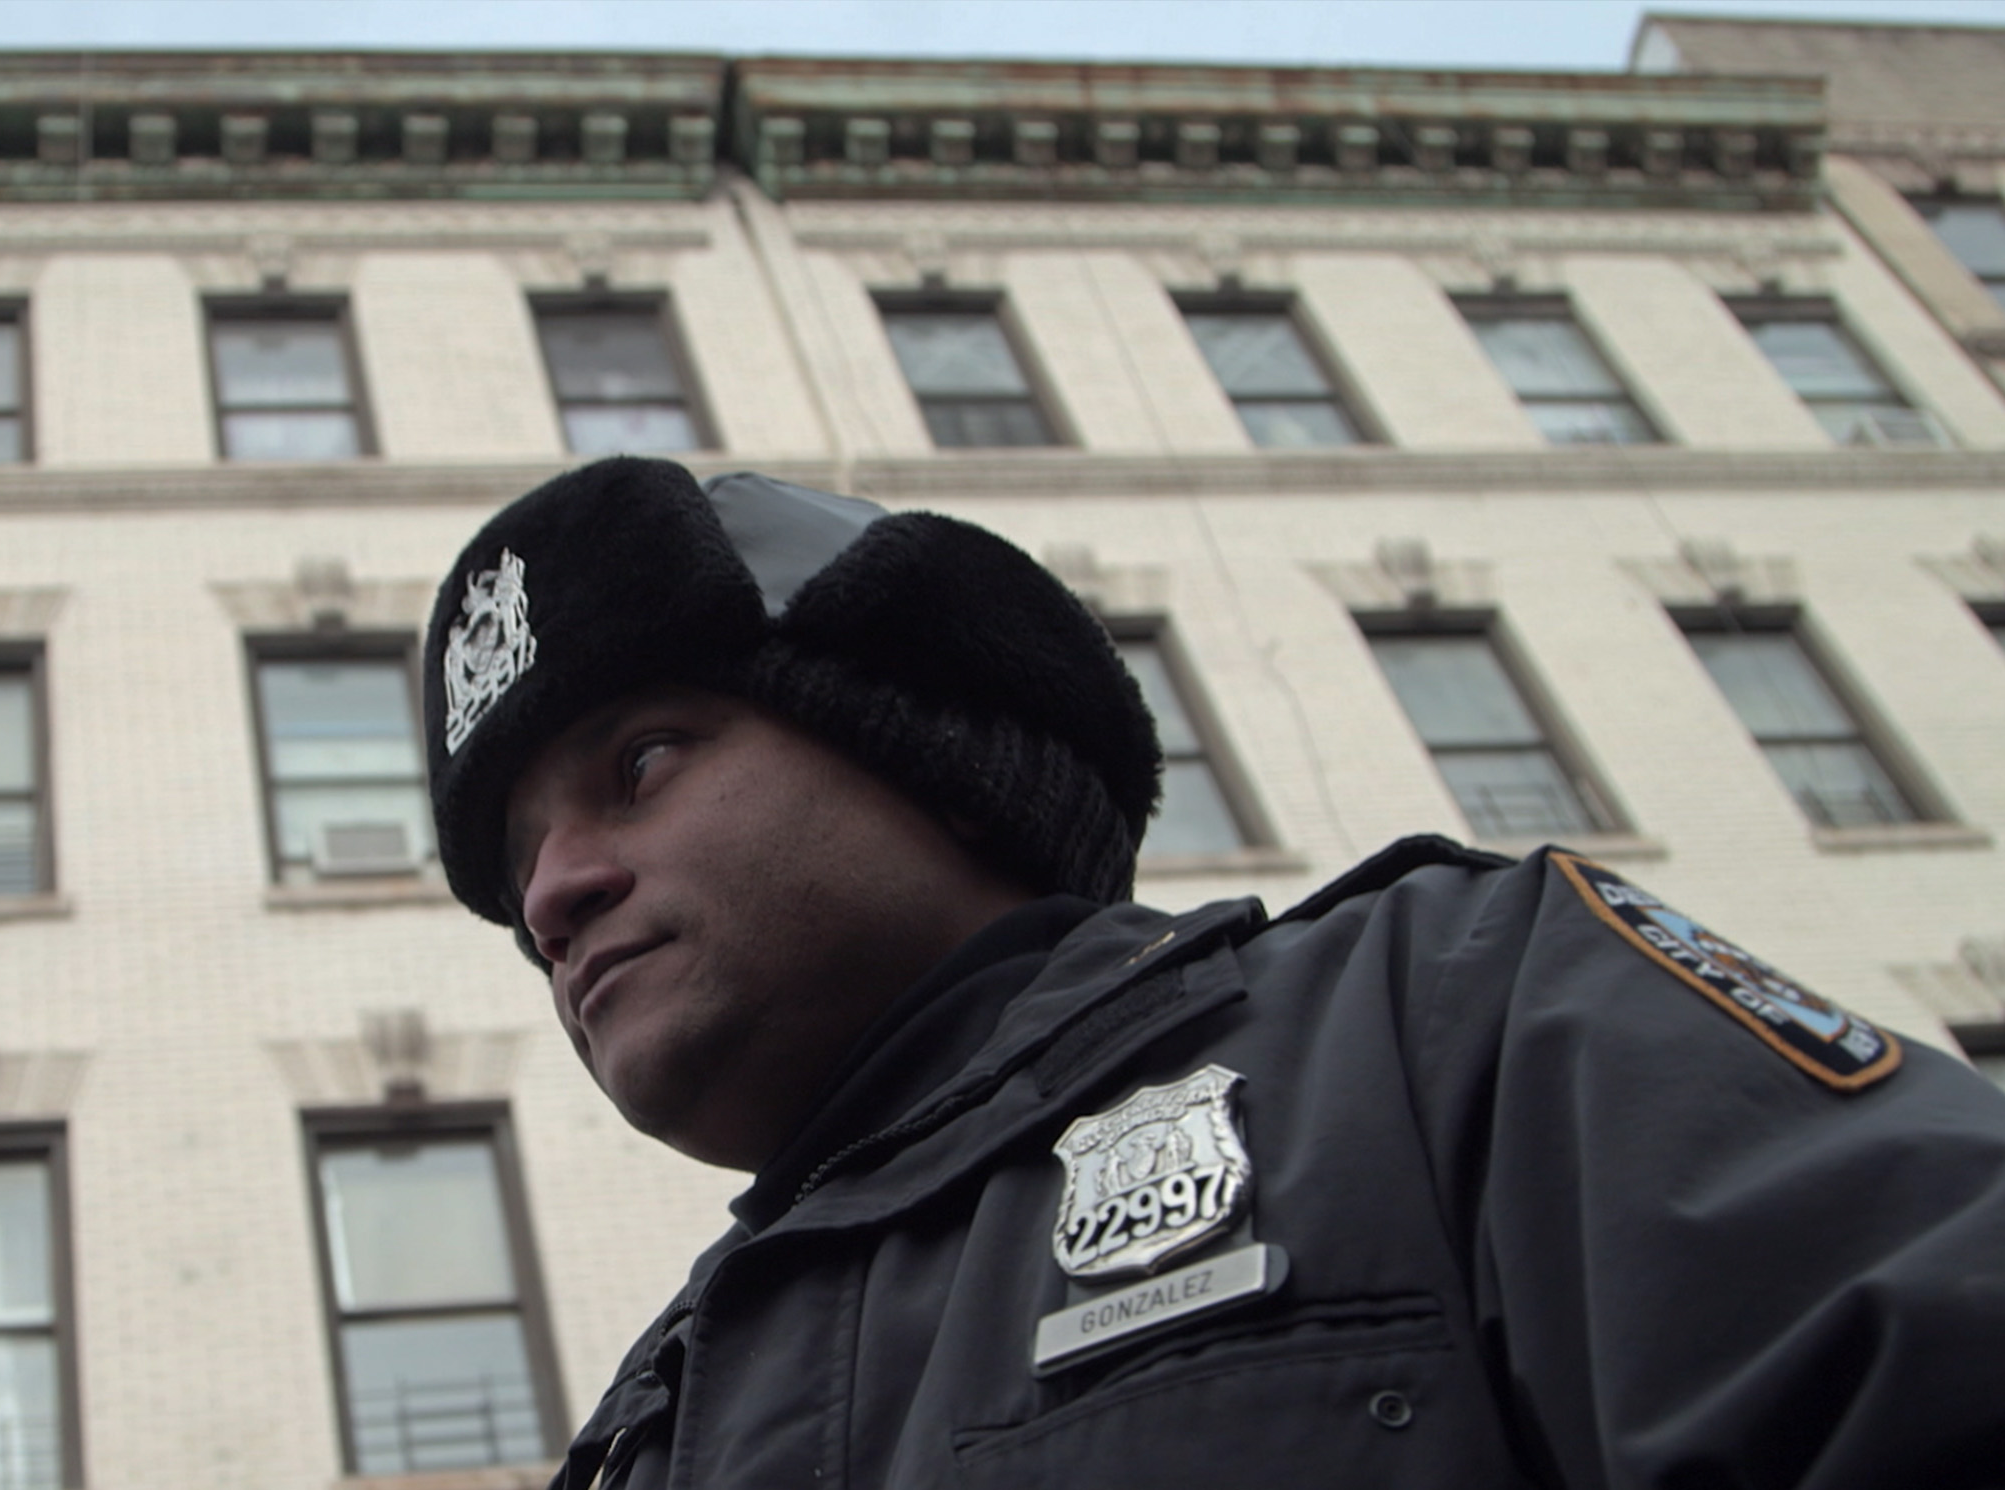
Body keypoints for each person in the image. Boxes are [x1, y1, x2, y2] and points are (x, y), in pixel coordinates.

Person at [416, 456, 2005, 1490]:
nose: (556, 890)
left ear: (927, 746)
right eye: (517, 862)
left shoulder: (1439, 1014)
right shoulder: (639, 1435)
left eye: (641, 761)